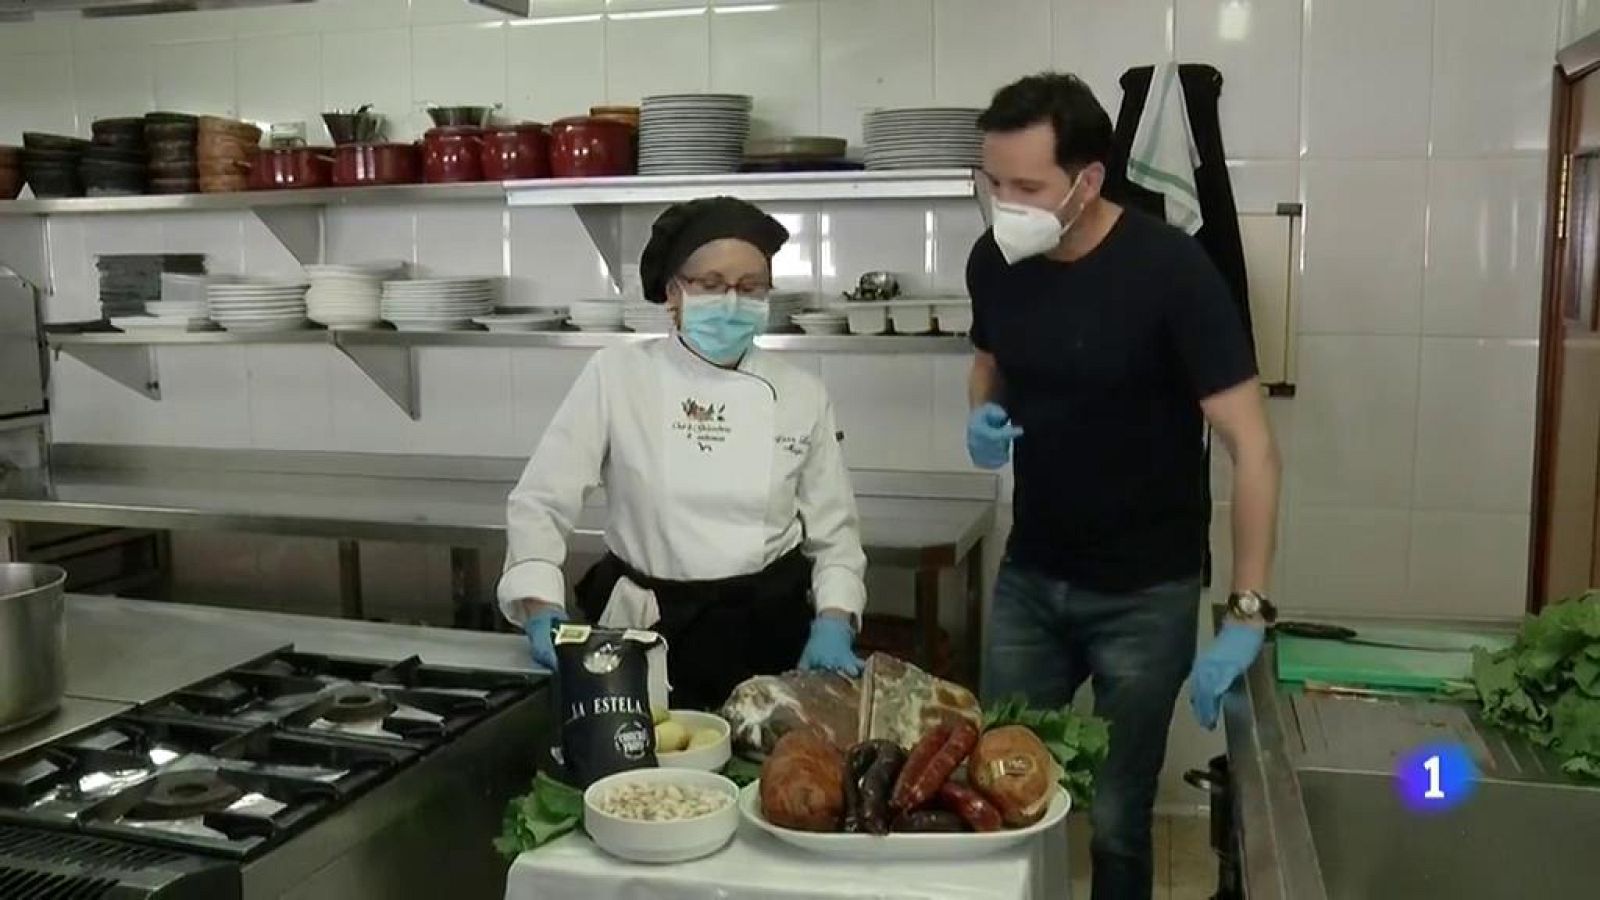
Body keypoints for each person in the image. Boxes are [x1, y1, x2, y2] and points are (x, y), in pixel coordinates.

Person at [966, 73, 1281, 900]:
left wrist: (1247, 610)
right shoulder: (994, 258)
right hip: (1031, 578)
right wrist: (983, 414)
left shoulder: (1171, 271)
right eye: (990, 182)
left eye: (1026, 186)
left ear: (1089, 180)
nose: (1005, 203)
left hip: (1146, 593)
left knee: (1113, 817)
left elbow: (1252, 446)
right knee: (996, 796)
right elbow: (989, 359)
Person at [498, 197, 868, 710]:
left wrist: (834, 618)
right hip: (648, 629)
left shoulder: (801, 393)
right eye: (711, 285)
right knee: (644, 780)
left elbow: (836, 535)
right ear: (674, 293)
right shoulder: (618, 376)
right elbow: (542, 499)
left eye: (749, 287)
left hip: (768, 632)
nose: (732, 300)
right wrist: (540, 604)